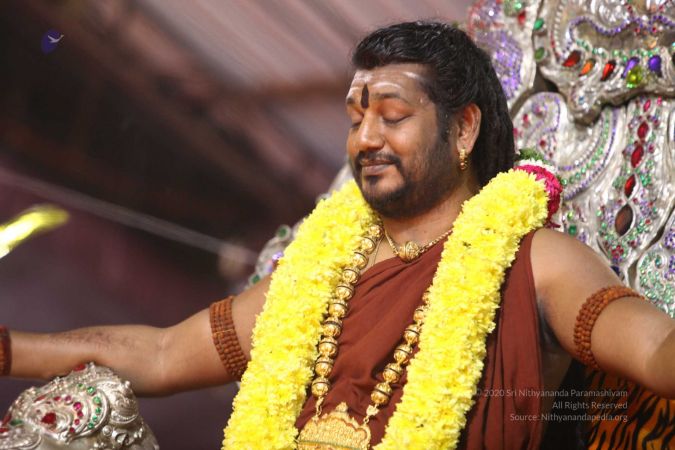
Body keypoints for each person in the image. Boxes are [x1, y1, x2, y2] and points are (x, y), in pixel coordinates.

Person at [2, 22, 675, 450]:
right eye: (355, 119)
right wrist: (9, 349)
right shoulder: (319, 275)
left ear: (464, 129)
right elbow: (162, 353)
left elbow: (652, 352)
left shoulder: (537, 261)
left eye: (391, 116)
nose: (364, 139)